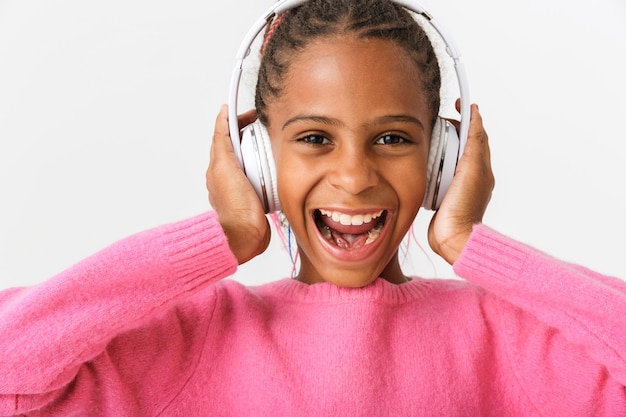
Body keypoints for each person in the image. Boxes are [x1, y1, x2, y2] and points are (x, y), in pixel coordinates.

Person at [0, 0, 625, 415]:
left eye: (393, 138)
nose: (353, 177)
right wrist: (221, 238)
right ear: (257, 158)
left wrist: (470, 242)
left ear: (443, 158)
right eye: (314, 138)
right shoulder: (197, 339)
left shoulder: (503, 340)